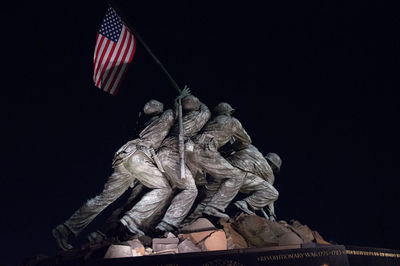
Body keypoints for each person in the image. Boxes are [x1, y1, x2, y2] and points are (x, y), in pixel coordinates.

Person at [52, 99, 175, 250]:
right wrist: (179, 100)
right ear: (158, 108)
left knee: (104, 198)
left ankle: (67, 228)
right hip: (138, 157)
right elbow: (174, 114)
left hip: (124, 157)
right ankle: (130, 221)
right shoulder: (165, 116)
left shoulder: (144, 123)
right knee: (165, 189)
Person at [154, 94, 211, 232]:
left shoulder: (178, 121)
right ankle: (166, 225)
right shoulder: (195, 119)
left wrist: (178, 101)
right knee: (191, 190)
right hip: (172, 156)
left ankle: (151, 223)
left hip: (161, 157)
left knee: (170, 191)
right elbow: (206, 111)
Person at [185, 102, 252, 219]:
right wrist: (231, 148)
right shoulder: (233, 122)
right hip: (205, 151)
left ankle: (181, 222)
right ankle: (214, 207)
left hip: (188, 150)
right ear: (229, 112)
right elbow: (246, 141)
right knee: (238, 175)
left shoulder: (210, 121)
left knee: (193, 189)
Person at [227, 146, 281, 220]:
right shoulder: (269, 174)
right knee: (273, 193)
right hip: (239, 179)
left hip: (225, 170)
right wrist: (271, 214)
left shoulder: (255, 155)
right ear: (273, 166)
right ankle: (245, 204)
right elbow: (269, 195)